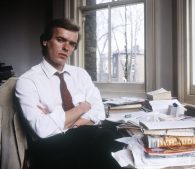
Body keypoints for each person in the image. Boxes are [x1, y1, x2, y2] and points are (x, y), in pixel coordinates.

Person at [15, 18, 122, 169]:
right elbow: (43, 129)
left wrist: (64, 122)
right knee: (104, 140)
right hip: (51, 148)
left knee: (109, 136)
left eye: (72, 44)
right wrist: (83, 107)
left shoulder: (81, 74)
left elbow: (99, 113)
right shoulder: (27, 81)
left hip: (86, 140)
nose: (66, 48)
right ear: (45, 41)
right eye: (60, 40)